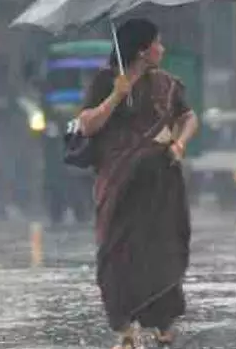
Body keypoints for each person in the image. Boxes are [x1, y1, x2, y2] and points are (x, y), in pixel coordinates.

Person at [78, 18, 199, 349]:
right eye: (158, 43)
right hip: (118, 185)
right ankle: (125, 330)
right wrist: (116, 96)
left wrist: (180, 144)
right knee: (116, 254)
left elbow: (188, 117)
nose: (163, 48)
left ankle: (162, 324)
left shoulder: (166, 84)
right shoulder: (106, 81)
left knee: (161, 251)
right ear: (143, 50)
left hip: (160, 184)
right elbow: (87, 126)